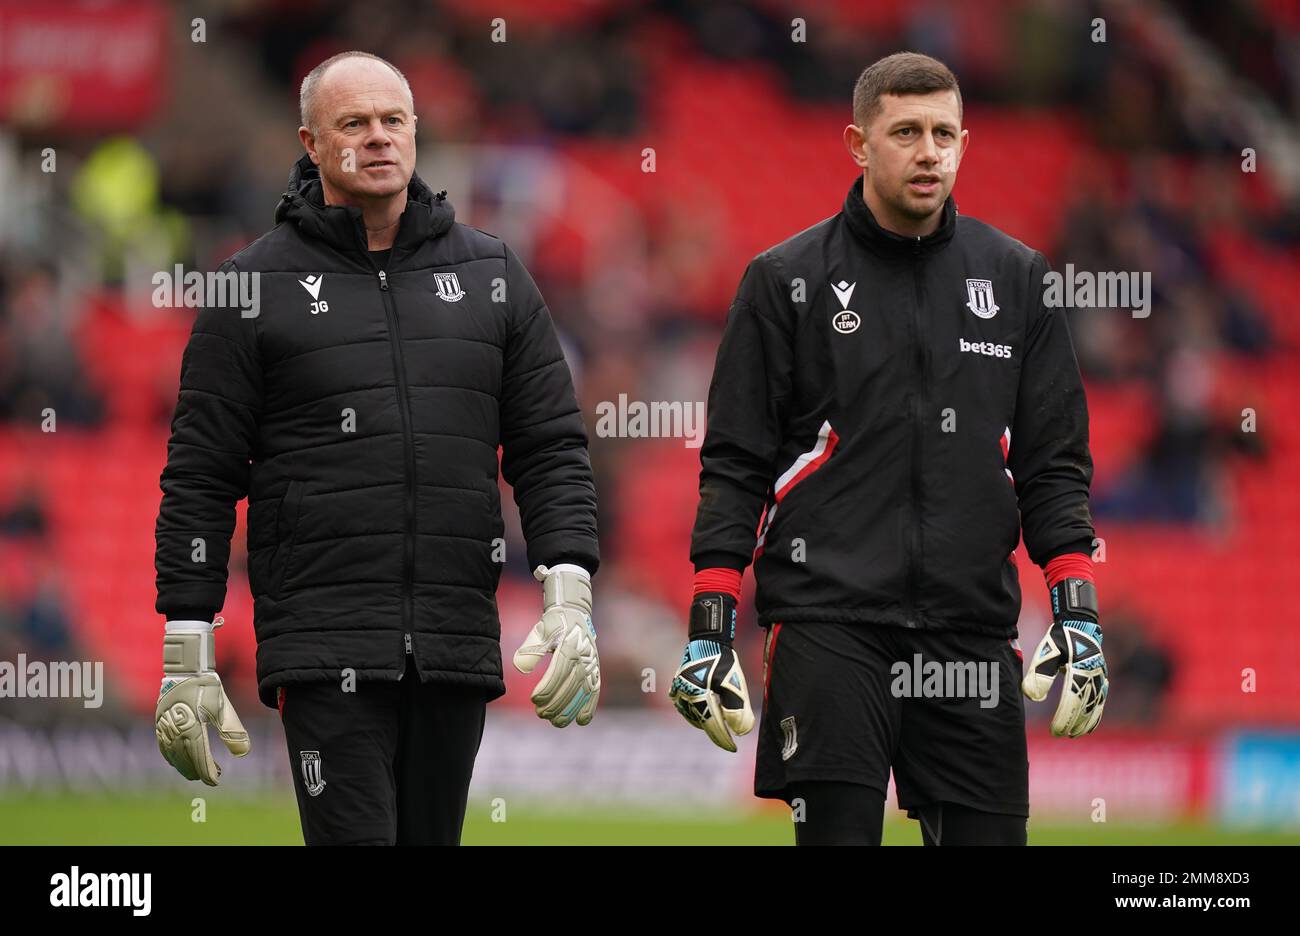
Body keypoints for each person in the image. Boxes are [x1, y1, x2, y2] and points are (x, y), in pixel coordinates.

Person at [153, 51, 600, 845]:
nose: (379, 138)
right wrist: (187, 640)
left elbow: (550, 445)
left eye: (394, 120)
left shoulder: (493, 272)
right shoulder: (249, 287)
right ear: (311, 143)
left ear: (417, 132)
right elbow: (202, 474)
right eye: (353, 124)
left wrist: (568, 585)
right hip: (324, 642)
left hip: (454, 637)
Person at [670, 52, 1108, 846]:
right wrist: (710, 617)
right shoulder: (783, 280)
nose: (929, 151)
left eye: (944, 133)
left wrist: (1078, 608)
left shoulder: (1018, 280)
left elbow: (1053, 464)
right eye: (905, 131)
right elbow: (736, 464)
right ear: (858, 143)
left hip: (970, 631)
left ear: (966, 144)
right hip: (829, 625)